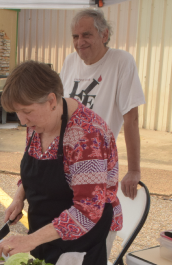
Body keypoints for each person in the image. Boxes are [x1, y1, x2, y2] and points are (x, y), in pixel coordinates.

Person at [0, 61, 122, 265]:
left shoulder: (86, 135)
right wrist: (20, 197)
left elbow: (87, 211)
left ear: (51, 101)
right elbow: (34, 169)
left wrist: (29, 240)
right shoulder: (38, 124)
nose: (23, 121)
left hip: (86, 237)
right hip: (47, 231)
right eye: (17, 113)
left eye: (26, 112)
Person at [60, 9, 145, 200]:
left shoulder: (121, 61)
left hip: (96, 164)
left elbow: (131, 119)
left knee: (92, 219)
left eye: (86, 35)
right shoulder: (70, 61)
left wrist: (133, 170)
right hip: (64, 161)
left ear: (104, 34)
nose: (80, 42)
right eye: (75, 36)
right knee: (63, 220)